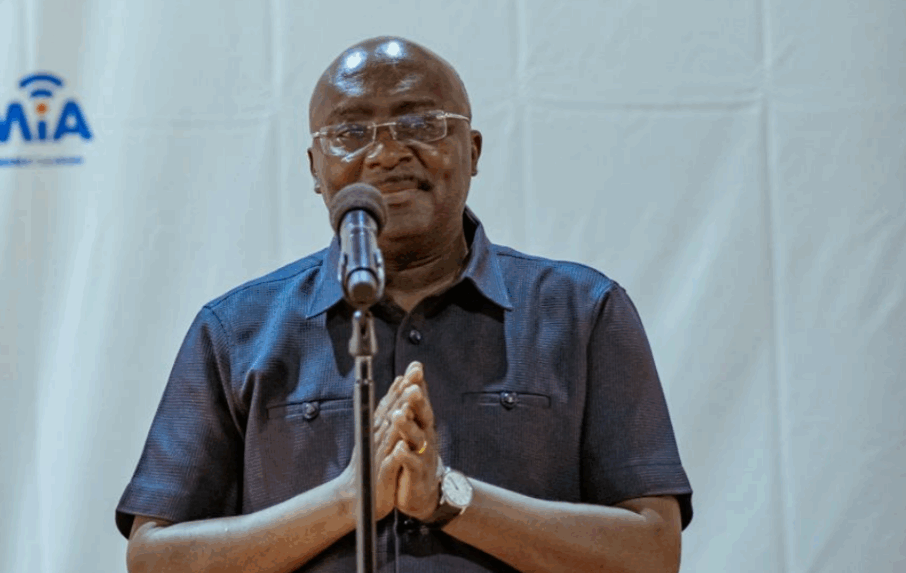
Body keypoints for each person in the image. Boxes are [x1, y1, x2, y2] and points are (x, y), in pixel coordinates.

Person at [116, 36, 693, 573]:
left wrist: (448, 497)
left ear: (472, 151)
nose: (388, 152)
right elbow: (155, 559)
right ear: (315, 168)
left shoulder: (583, 312)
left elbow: (652, 552)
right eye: (350, 131)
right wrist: (346, 500)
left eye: (421, 123)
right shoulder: (236, 329)